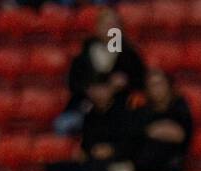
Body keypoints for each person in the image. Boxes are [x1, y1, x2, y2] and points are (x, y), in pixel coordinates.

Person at [44, 76, 135, 171]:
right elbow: (87, 143)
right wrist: (86, 151)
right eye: (95, 89)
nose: (99, 93)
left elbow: (131, 142)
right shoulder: (89, 116)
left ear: (110, 90)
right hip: (92, 159)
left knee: (99, 169)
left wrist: (111, 150)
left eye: (102, 89)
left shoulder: (124, 113)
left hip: (116, 158)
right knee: (53, 168)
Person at [56, 6, 146, 135]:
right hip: (86, 108)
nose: (110, 29)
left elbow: (140, 83)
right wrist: (90, 91)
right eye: (106, 24)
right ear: (97, 27)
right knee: (63, 125)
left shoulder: (129, 55)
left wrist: (121, 85)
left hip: (121, 110)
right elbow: (74, 83)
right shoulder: (83, 53)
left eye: (114, 25)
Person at [127, 69, 193, 171]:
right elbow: (135, 136)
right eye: (152, 85)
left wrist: (152, 131)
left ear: (168, 85)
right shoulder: (141, 112)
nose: (156, 89)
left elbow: (180, 135)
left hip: (171, 163)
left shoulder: (180, 107)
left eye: (159, 84)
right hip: (143, 165)